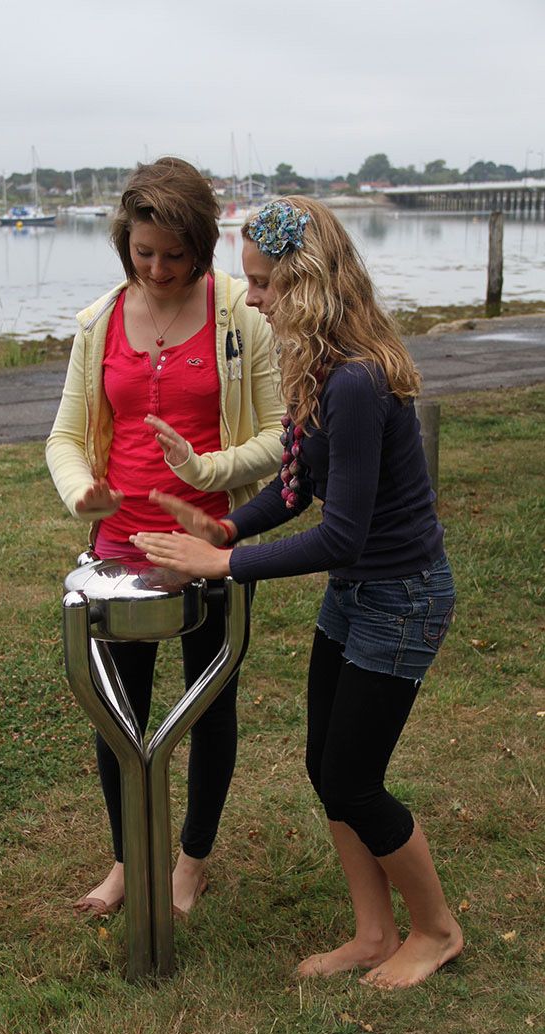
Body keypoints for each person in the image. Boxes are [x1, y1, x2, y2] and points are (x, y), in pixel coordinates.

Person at [130, 197, 463, 989]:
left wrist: (223, 568)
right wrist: (225, 532)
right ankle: (374, 933)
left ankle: (437, 930)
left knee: (353, 777)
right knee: (325, 765)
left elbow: (341, 535)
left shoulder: (354, 382)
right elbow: (296, 490)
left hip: (402, 597)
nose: (252, 298)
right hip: (359, 594)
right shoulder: (317, 366)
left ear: (308, 283)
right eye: (248, 282)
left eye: (266, 283)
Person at [46, 158, 285, 919]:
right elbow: (64, 438)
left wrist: (207, 471)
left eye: (174, 256)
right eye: (143, 253)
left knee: (210, 703)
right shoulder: (100, 322)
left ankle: (191, 861)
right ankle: (125, 860)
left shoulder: (243, 315)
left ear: (202, 247)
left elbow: (286, 437)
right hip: (119, 551)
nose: (157, 269)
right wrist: (81, 489)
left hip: (213, 543)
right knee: (118, 709)